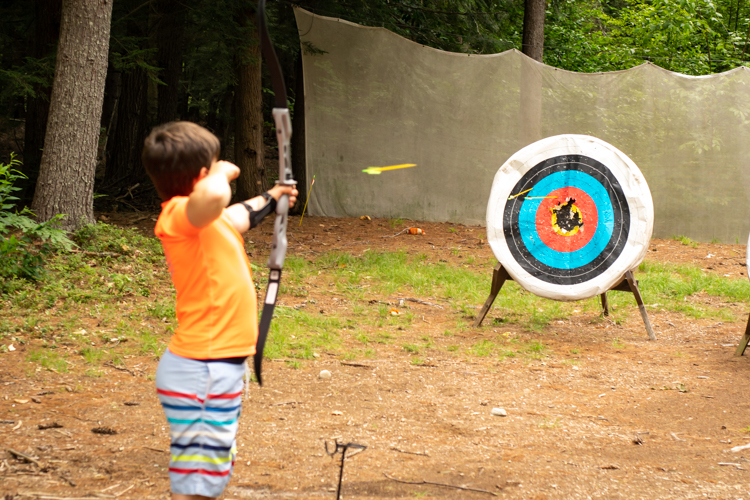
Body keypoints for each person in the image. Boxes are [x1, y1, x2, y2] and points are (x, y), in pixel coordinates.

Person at [142, 121, 298, 500]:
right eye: (209, 167)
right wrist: (221, 171)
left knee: (208, 466)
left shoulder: (205, 223)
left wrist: (271, 196)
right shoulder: (178, 215)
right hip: (204, 369)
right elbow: (214, 198)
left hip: (212, 367)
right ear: (201, 176)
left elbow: (237, 215)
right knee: (198, 481)